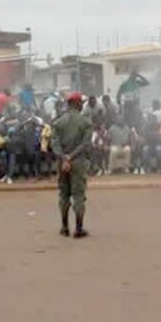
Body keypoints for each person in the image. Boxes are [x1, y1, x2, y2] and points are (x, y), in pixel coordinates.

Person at [51, 91, 93, 238]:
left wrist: (64, 158)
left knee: (63, 195)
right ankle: (78, 228)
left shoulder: (58, 122)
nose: (82, 104)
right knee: (79, 195)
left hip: (62, 163)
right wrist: (72, 156)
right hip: (78, 162)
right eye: (81, 102)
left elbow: (54, 144)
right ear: (76, 103)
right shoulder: (85, 122)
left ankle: (64, 227)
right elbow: (86, 144)